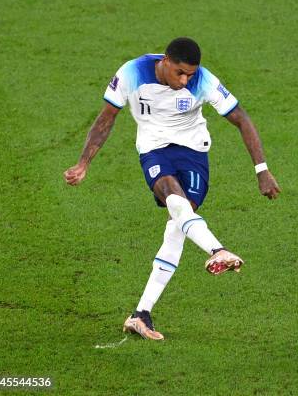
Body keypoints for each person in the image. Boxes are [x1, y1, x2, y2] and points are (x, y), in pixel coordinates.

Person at [64, 37, 281, 340]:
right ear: (165, 60)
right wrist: (84, 163)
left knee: (178, 224)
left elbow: (241, 118)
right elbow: (106, 119)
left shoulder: (202, 81)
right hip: (154, 150)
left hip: (193, 153)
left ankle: (141, 314)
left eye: (190, 75)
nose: (184, 80)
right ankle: (217, 250)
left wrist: (262, 170)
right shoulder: (132, 73)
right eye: (180, 72)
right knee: (172, 197)